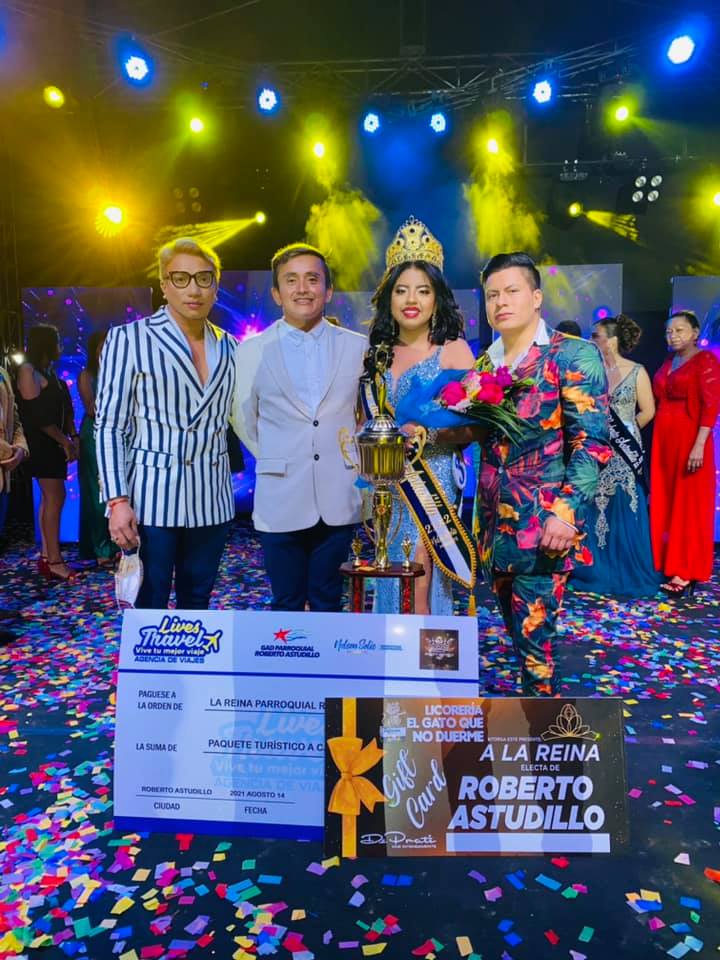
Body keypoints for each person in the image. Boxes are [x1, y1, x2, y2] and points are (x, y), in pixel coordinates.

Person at [476, 252, 609, 696]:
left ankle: (541, 731)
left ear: (536, 297)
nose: (500, 302)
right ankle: (531, 724)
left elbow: (591, 442)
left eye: (511, 291)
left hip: (543, 527)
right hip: (496, 531)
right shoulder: (486, 364)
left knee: (536, 650)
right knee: (519, 639)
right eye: (492, 294)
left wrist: (566, 514)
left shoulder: (572, 354)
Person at [95, 237, 237, 609]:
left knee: (198, 601)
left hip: (211, 497)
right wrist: (117, 500)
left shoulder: (231, 346)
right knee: (149, 601)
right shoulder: (129, 338)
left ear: (215, 285)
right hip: (150, 497)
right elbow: (109, 426)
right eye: (181, 278)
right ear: (164, 284)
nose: (194, 289)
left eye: (203, 278)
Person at [232, 242, 366, 612]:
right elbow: (242, 417)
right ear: (277, 293)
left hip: (339, 492)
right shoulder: (252, 350)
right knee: (286, 600)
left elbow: (363, 415)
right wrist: (276, 454)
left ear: (329, 290)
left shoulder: (359, 347)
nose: (302, 289)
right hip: (280, 492)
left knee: (328, 599)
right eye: (291, 280)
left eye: (312, 279)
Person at [361, 216, 476, 614]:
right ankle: (389, 646)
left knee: (421, 576)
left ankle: (422, 648)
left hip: (431, 482)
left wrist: (428, 434)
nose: (411, 300)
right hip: (386, 483)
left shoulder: (453, 350)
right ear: (388, 298)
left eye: (423, 291)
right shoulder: (375, 353)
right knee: (387, 566)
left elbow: (476, 428)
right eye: (402, 290)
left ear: (436, 298)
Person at [573, 314, 661, 598]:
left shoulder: (637, 371)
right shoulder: (590, 370)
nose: (591, 341)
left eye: (596, 336)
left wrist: (625, 434)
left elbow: (648, 411)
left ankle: (626, 570)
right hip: (595, 450)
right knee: (596, 507)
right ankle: (597, 568)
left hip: (624, 452)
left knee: (625, 508)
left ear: (611, 340)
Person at [650, 309, 720, 596]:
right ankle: (666, 562)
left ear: (695, 333)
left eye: (679, 330)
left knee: (688, 506)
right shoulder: (669, 361)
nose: (673, 336)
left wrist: (699, 445)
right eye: (669, 331)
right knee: (666, 501)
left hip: (691, 440)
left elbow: (711, 406)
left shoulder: (706, 360)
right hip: (664, 441)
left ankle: (685, 569)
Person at [16, 325, 78, 581]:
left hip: (54, 442)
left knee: (51, 498)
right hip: (43, 444)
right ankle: (54, 560)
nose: (60, 347)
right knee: (55, 497)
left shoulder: (48, 372)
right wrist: (64, 441)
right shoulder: (27, 370)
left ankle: (47, 555)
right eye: (57, 341)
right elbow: (37, 417)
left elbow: (62, 409)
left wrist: (71, 437)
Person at [78, 331, 118, 569]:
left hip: (119, 434)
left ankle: (117, 545)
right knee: (97, 492)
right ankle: (101, 547)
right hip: (93, 435)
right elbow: (92, 408)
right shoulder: (87, 375)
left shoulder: (122, 372)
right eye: (101, 347)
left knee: (118, 491)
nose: (105, 351)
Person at [0, 364, 29, 641]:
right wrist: (8, 451)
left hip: (3, 475)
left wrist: (20, 449)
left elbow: (15, 419)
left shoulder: (2, 372)